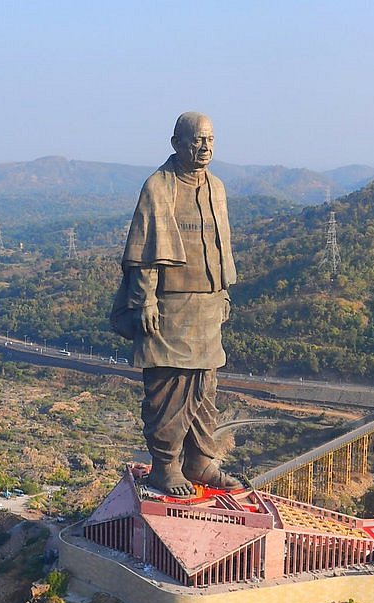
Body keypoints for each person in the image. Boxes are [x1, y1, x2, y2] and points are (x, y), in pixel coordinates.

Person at [118, 112, 240, 497]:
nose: (204, 147)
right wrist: (145, 300)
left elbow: (219, 250)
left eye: (210, 140)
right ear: (176, 143)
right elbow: (143, 254)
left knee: (205, 386)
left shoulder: (216, 187)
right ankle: (166, 465)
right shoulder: (158, 186)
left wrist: (222, 293)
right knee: (169, 386)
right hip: (168, 305)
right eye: (196, 140)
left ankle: (200, 459)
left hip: (207, 305)